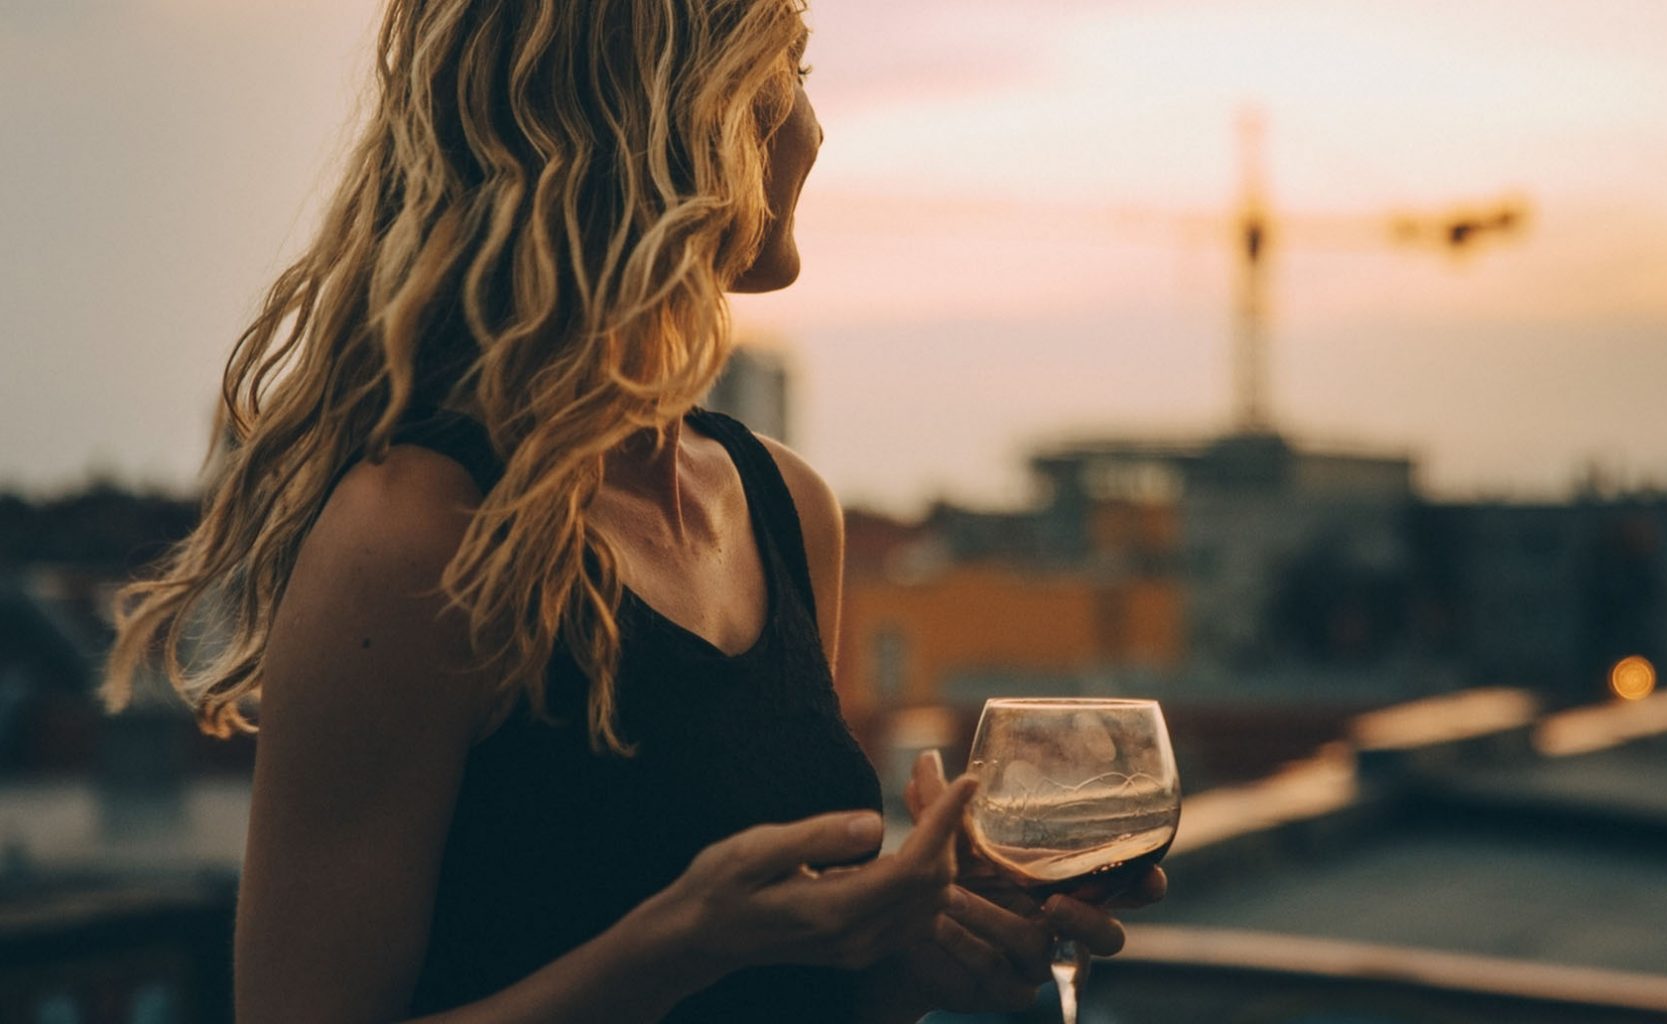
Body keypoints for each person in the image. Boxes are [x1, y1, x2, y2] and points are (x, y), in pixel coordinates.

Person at [103, 1, 1164, 1021]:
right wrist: (674, 948)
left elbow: (782, 1005)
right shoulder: (419, 536)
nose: (814, 124)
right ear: (666, 113)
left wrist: (909, 971)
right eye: (785, 73)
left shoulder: (787, 509)